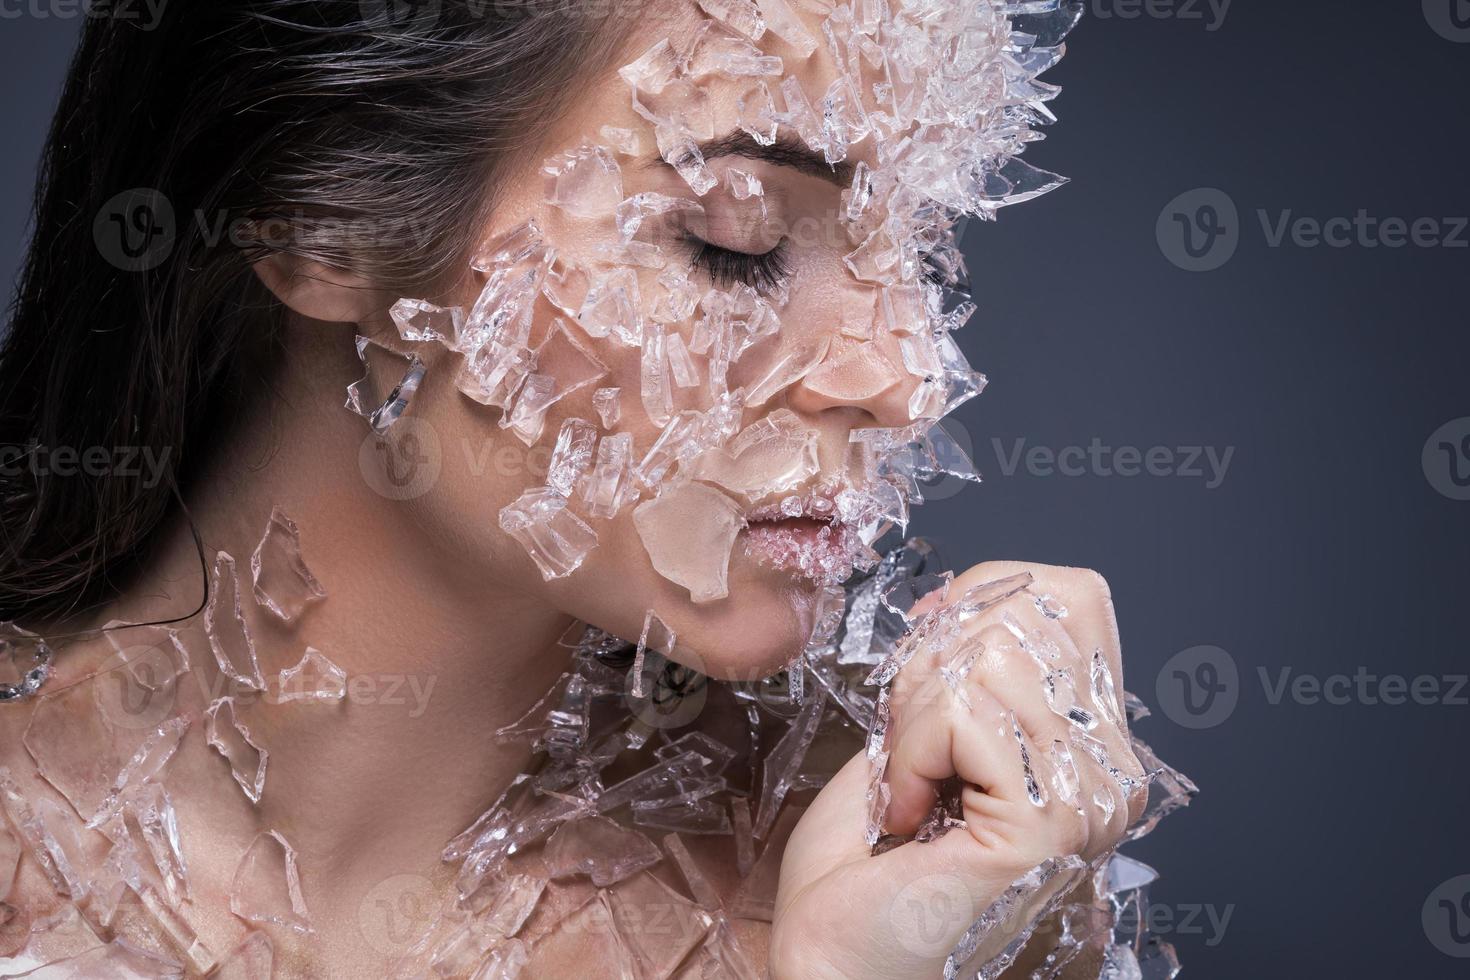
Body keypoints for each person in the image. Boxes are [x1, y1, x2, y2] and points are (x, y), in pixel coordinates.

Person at [0, 1, 1189, 976]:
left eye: (918, 249)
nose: (912, 378)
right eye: (740, 238)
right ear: (324, 224)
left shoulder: (904, 876)